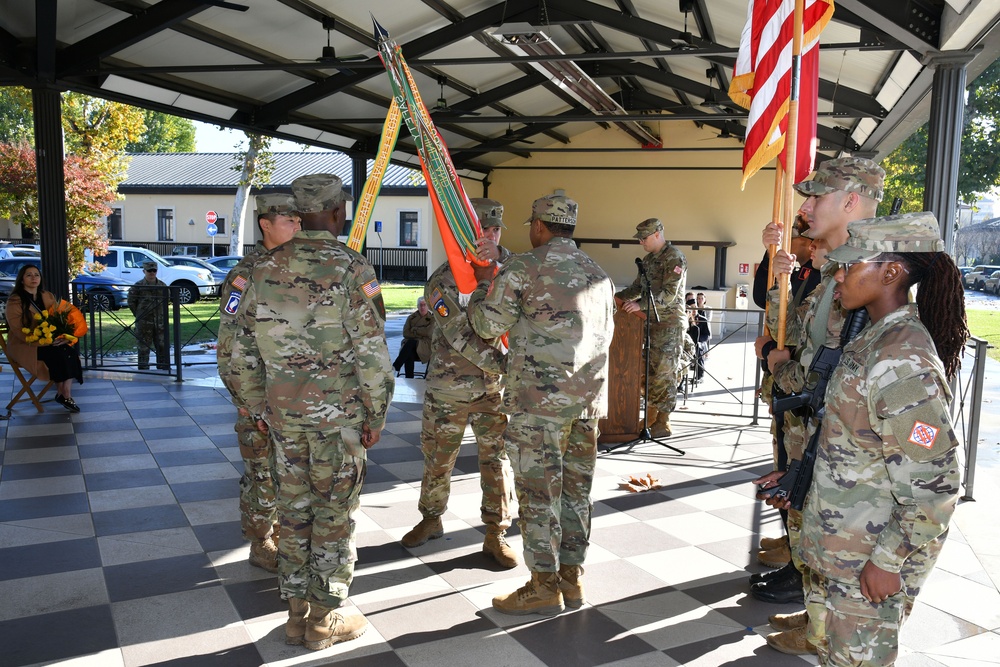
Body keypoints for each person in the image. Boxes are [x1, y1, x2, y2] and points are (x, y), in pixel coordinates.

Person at [228, 173, 394, 651]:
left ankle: (297, 614)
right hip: (337, 421)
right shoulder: (353, 270)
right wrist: (375, 416)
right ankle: (326, 617)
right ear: (339, 212)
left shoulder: (261, 269)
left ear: (299, 214)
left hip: (282, 420)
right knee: (334, 515)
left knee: (294, 513)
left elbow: (236, 353)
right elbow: (373, 356)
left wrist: (256, 406)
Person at [796, 212, 966, 666]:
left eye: (852, 266)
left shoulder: (901, 359)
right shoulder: (874, 340)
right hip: (843, 547)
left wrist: (889, 560)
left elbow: (937, 482)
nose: (841, 274)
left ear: (890, 272)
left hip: (868, 558)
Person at [754, 157, 885, 655]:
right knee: (813, 533)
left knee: (842, 549)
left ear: (851, 201)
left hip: (846, 445)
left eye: (815, 197)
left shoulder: (869, 272)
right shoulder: (836, 269)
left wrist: (774, 360)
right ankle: (818, 622)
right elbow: (803, 342)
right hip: (814, 429)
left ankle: (827, 629)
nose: (803, 207)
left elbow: (825, 371)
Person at [468, 193, 615, 616]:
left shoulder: (523, 268)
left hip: (538, 407)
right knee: (575, 494)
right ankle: (572, 577)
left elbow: (486, 323)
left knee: (538, 495)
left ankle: (543, 585)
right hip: (586, 405)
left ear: (538, 226)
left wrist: (481, 285)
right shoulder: (598, 274)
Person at [401, 197, 517, 569]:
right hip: (448, 387)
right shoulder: (443, 277)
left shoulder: (515, 271)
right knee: (438, 459)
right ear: (465, 234)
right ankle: (431, 519)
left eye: (495, 229)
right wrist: (506, 365)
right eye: (482, 229)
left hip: (494, 391)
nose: (490, 235)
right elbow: (457, 333)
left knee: (496, 461)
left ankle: (496, 531)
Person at [217, 193, 301, 573]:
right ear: (265, 224)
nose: (298, 227)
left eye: (299, 221)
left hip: (298, 397)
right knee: (262, 474)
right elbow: (228, 344)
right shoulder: (245, 274)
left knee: (293, 472)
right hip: (260, 397)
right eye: (289, 221)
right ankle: (260, 541)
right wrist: (246, 400)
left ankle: (284, 532)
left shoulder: (303, 268)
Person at [615, 218, 687, 437]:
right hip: (650, 325)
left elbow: (668, 294)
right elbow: (637, 288)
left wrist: (639, 304)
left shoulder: (674, 257)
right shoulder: (647, 260)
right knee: (649, 374)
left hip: (669, 325)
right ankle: (651, 418)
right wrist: (615, 297)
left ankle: (663, 423)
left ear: (657, 234)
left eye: (644, 238)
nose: (641, 243)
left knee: (664, 375)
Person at [5, 265, 86, 412]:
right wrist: (40, 340)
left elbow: (60, 318)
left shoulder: (46, 295)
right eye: (29, 275)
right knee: (58, 354)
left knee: (70, 352)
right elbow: (17, 330)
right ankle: (64, 395)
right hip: (27, 344)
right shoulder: (15, 301)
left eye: (36, 274)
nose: (34, 277)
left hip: (50, 340)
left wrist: (64, 336)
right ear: (22, 280)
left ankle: (64, 393)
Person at [127, 261, 169, 370]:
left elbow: (166, 301)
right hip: (144, 321)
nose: (152, 273)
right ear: (144, 271)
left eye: (154, 270)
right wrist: (139, 314)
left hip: (159, 321)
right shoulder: (137, 286)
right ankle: (143, 366)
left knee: (162, 345)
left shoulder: (162, 286)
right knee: (143, 346)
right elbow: (131, 302)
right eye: (149, 271)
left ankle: (163, 365)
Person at [392, 296, 433, 377]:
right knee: (409, 351)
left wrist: (414, 329)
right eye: (420, 305)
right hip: (410, 348)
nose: (422, 307)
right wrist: (421, 333)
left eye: (424, 305)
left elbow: (429, 332)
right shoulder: (411, 318)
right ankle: (409, 378)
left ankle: (396, 366)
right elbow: (405, 333)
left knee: (411, 342)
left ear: (428, 306)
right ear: (417, 306)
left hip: (424, 347)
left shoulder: (432, 318)